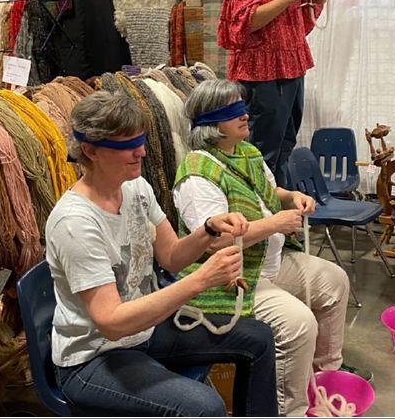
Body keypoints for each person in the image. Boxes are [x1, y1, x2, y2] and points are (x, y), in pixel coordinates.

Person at [45, 90, 278, 417]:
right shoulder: (75, 223)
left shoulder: (135, 187)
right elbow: (111, 323)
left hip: (143, 332)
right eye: (127, 146)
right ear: (90, 150)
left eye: (139, 141)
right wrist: (200, 280)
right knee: (205, 407)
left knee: (259, 337)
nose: (141, 152)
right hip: (93, 359)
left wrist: (209, 229)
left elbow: (171, 256)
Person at [172, 79, 371, 417]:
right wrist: (275, 224)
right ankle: (286, 408)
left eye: (243, 106)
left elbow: (269, 189)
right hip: (233, 278)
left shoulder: (246, 153)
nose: (245, 114)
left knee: (334, 281)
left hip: (269, 263)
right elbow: (215, 240)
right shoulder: (196, 175)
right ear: (210, 124)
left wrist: (291, 197)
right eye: (234, 110)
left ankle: (324, 375)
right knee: (298, 323)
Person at [218, 0, 328, 187]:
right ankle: (261, 220)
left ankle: (279, 215)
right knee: (262, 151)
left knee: (284, 146)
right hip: (261, 70)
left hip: (291, 65)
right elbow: (245, 20)